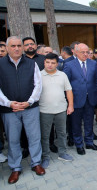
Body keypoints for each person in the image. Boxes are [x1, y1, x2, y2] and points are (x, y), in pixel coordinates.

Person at [0, 36, 45, 184]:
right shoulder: (0, 64)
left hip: (30, 108)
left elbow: (38, 85)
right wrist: (8, 103)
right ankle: (15, 168)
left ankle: (36, 163)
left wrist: (29, 101)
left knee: (34, 137)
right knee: (13, 139)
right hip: (9, 110)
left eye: (19, 45)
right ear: (7, 48)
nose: (17, 48)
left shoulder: (31, 63)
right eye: (13, 46)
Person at [63, 43, 97, 155]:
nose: (85, 54)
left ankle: (89, 142)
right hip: (76, 100)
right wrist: (69, 101)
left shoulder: (93, 63)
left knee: (89, 122)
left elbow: (96, 81)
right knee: (76, 124)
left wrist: (96, 95)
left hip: (90, 99)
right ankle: (79, 144)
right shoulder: (69, 65)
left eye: (87, 52)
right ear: (75, 52)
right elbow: (66, 84)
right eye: (82, 52)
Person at [39, 53, 74, 169]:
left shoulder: (62, 75)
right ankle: (45, 157)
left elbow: (68, 90)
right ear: (44, 62)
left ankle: (62, 153)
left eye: (53, 63)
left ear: (57, 64)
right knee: (45, 135)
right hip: (44, 110)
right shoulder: (38, 75)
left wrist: (70, 105)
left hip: (61, 109)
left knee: (62, 133)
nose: (50, 65)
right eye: (47, 62)